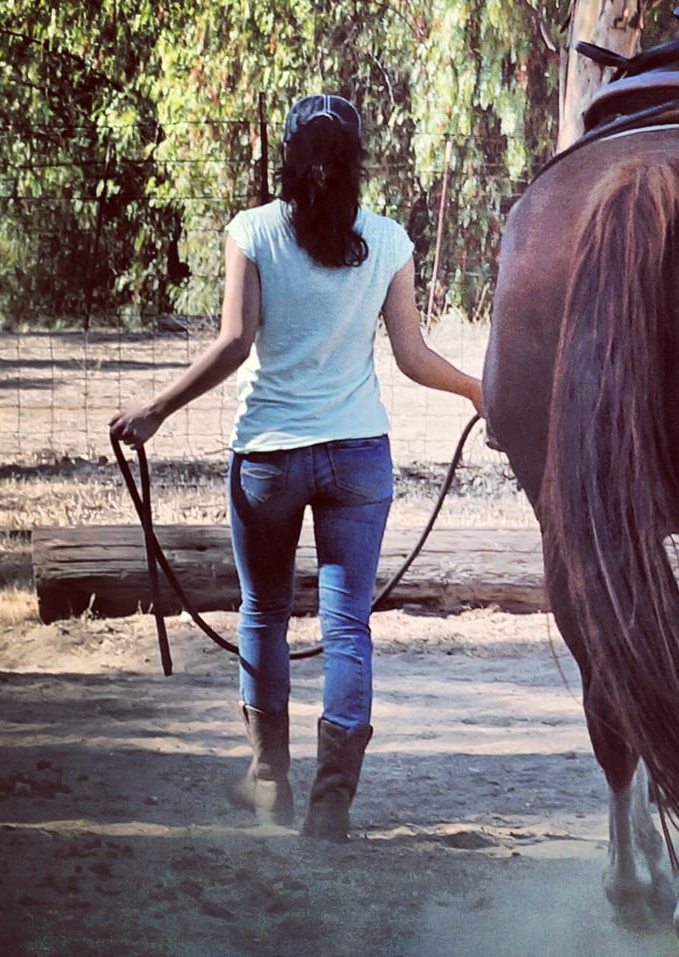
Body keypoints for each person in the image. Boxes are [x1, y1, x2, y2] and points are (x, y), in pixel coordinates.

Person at [110, 94, 485, 842]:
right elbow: (411, 358)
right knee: (347, 627)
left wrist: (156, 409)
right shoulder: (387, 240)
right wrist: (479, 389)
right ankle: (331, 805)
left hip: (268, 461)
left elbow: (235, 344)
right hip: (357, 459)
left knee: (263, 615)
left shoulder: (252, 232)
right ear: (356, 163)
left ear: (287, 157)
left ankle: (269, 785)